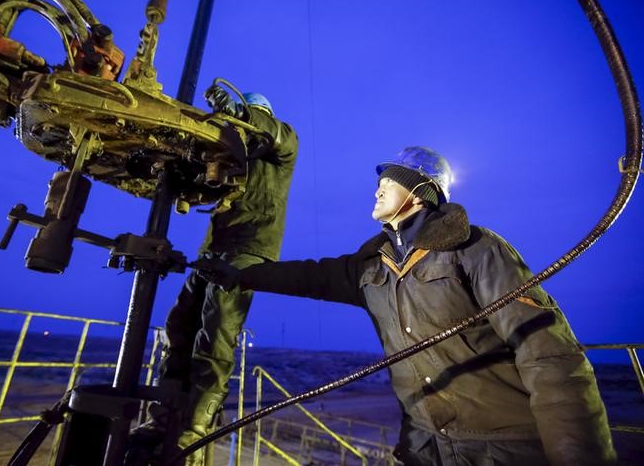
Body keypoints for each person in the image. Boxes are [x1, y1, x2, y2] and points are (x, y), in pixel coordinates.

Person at [194, 146, 617, 465]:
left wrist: (577, 456)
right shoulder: (370, 267)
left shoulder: (475, 250)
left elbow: (547, 354)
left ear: (418, 193)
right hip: (424, 445)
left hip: (500, 446)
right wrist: (241, 274)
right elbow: (309, 275)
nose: (378, 187)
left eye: (391, 181)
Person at [129, 84, 299, 466]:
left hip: (250, 250)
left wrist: (242, 114)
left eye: (246, 120)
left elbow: (273, 132)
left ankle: (195, 430)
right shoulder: (231, 154)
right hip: (213, 251)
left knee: (217, 333)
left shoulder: (281, 147)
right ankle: (164, 417)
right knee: (180, 326)